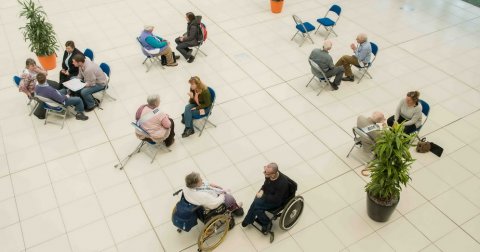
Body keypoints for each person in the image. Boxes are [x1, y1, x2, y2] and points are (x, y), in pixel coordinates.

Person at [242, 163, 290, 233]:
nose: (264, 173)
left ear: (273, 174)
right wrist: (262, 190)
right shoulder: (270, 176)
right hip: (269, 194)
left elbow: (276, 199)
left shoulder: (281, 183)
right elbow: (266, 185)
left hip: (276, 201)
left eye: (266, 173)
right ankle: (249, 219)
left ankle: (266, 223)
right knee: (256, 202)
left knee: (257, 207)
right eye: (265, 171)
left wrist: (263, 196)